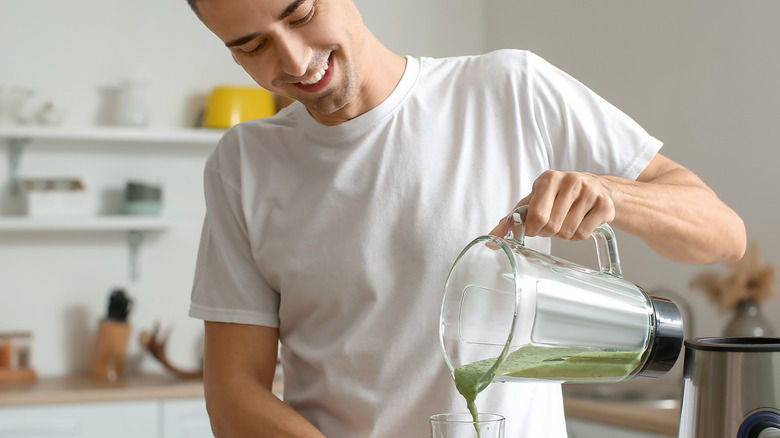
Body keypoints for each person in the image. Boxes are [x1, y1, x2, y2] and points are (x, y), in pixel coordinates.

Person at [186, 0, 747, 436]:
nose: (292, 60)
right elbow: (234, 394)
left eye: (301, 14)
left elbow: (723, 234)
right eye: (252, 45)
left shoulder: (508, 89)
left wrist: (610, 192)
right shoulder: (245, 164)